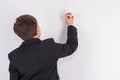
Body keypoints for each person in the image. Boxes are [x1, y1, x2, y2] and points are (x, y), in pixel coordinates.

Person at [8, 13, 78, 80]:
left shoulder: (14, 56)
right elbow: (71, 46)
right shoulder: (49, 47)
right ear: (37, 29)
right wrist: (70, 25)